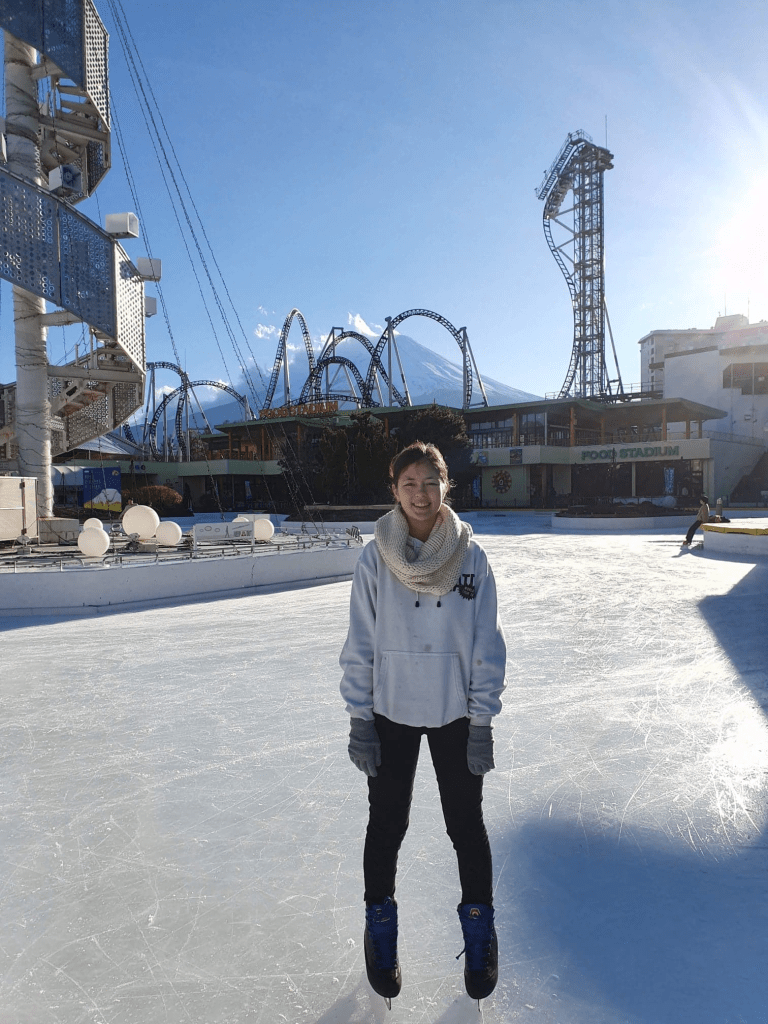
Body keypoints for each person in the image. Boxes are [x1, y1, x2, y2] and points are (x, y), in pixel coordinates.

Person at [339, 441, 507, 1005]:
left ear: (444, 487)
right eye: (409, 483)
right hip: (390, 712)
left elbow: (487, 645)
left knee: (466, 825)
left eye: (430, 482)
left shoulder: (471, 557)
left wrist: (482, 721)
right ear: (394, 489)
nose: (420, 493)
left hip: (455, 713)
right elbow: (361, 642)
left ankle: (480, 933)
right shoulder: (375, 558)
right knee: (387, 824)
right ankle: (379, 929)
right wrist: (360, 718)